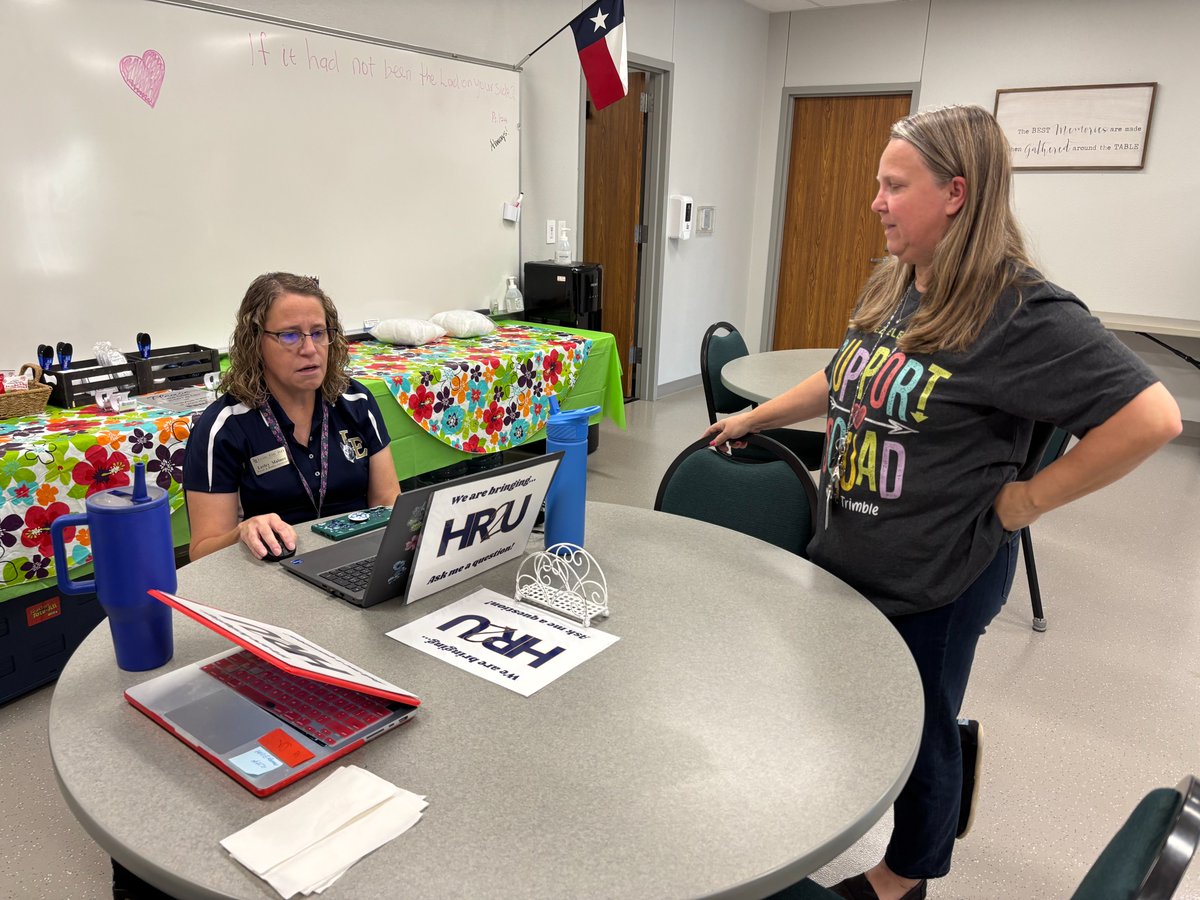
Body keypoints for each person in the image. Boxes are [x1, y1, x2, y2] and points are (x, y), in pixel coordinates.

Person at [705, 105, 1181, 900]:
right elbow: (845, 374)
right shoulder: (902, 279)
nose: (877, 202)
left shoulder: (1021, 310)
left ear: (956, 193)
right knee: (860, 706)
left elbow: (1152, 418)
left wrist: (1024, 502)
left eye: (895, 186)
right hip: (854, 552)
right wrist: (755, 417)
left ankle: (906, 876)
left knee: (924, 734)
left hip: (938, 575)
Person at [184, 272, 401, 562]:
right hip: (271, 571)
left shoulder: (356, 402)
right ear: (255, 342)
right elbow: (202, 552)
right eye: (290, 335)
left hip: (357, 562)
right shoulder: (223, 427)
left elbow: (388, 505)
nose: (310, 350)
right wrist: (242, 533)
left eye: (318, 332)